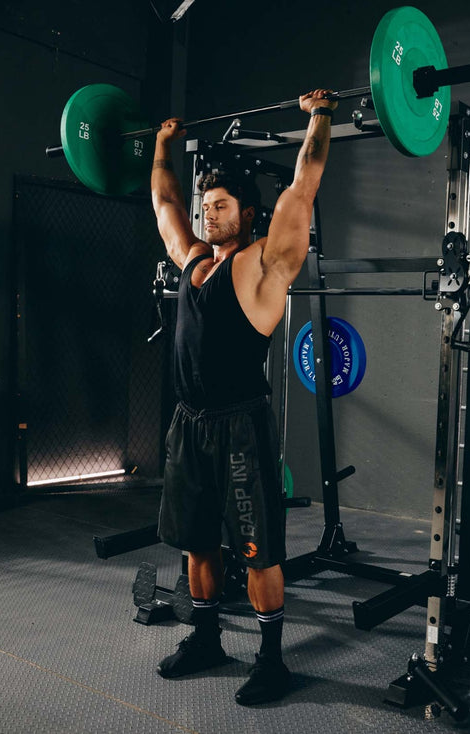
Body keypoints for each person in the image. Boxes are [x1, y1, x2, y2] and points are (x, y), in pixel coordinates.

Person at [150, 89, 337, 706]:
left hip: (239, 427)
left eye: (222, 205)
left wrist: (319, 119)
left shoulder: (265, 265)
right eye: (208, 205)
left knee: (258, 553)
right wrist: (162, 147)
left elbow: (303, 188)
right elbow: (164, 202)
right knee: (196, 543)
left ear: (249, 215)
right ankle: (206, 639)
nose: (209, 213)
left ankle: (272, 660)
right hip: (189, 425)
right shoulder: (193, 259)